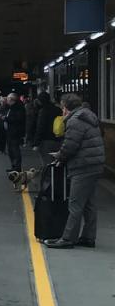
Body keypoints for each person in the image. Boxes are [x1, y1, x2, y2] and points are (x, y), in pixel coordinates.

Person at [44, 94, 105, 249]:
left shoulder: (75, 120)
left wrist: (58, 156)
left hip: (82, 166)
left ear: (66, 107)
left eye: (62, 107)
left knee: (75, 204)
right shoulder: (88, 115)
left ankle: (67, 239)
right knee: (89, 204)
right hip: (94, 164)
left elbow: (70, 145)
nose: (62, 110)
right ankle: (88, 237)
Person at [33, 92, 62, 158]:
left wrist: (36, 143)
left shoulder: (43, 111)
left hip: (46, 140)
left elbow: (40, 127)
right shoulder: (58, 109)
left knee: (47, 162)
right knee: (57, 162)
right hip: (58, 138)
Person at [3, 92, 26, 173]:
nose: (6, 100)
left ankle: (17, 168)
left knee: (15, 150)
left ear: (12, 100)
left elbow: (18, 119)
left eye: (8, 99)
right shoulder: (11, 107)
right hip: (10, 132)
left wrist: (6, 119)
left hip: (15, 133)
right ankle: (14, 166)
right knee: (11, 150)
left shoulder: (18, 108)